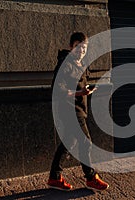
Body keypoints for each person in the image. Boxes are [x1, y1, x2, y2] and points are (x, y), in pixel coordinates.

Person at [47, 32, 109, 191]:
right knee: (85, 141)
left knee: (69, 142)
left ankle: (54, 177)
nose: (81, 50)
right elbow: (57, 89)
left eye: (84, 48)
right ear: (71, 47)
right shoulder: (65, 64)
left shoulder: (80, 64)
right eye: (78, 47)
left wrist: (86, 89)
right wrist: (79, 93)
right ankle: (90, 177)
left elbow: (78, 85)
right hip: (70, 110)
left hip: (80, 109)